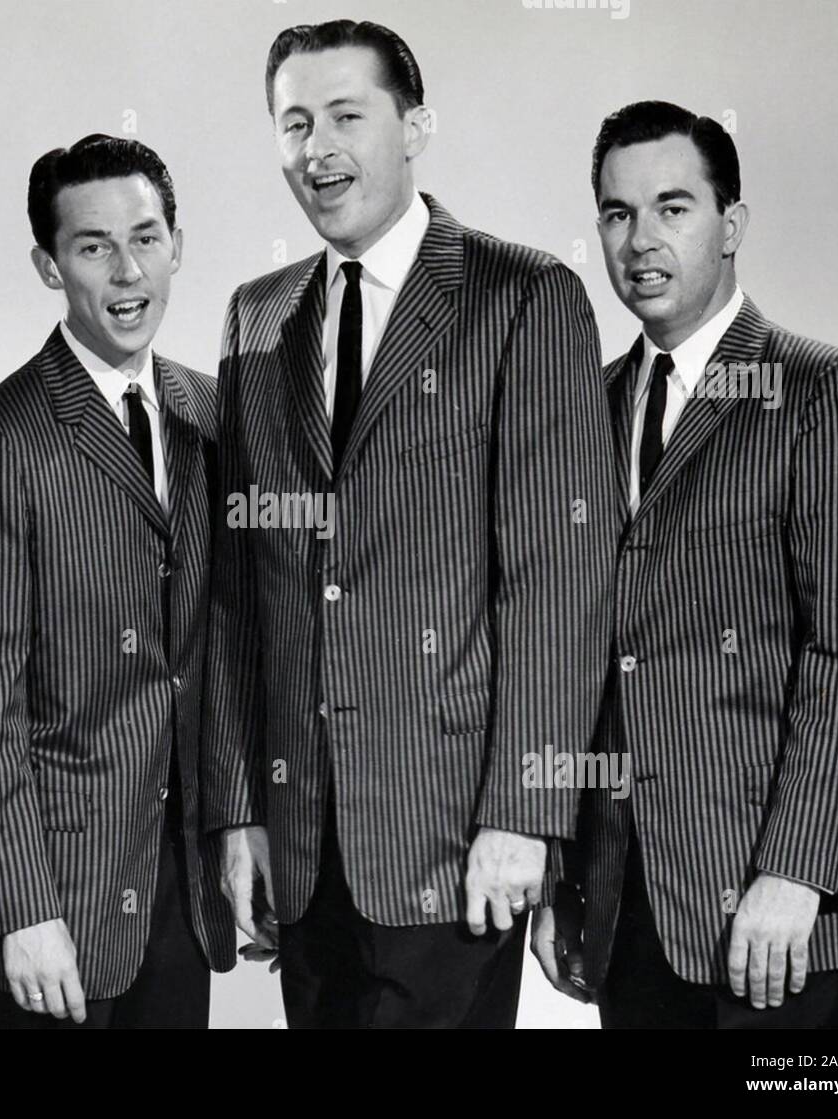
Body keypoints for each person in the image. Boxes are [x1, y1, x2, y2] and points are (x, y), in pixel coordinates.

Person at [205, 19, 617, 1028]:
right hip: (301, 846)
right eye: (294, 122)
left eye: (347, 115)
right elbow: (236, 596)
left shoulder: (523, 298)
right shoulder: (255, 316)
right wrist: (237, 809)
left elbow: (559, 579)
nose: (318, 149)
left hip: (452, 842)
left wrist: (523, 815)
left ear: (414, 126)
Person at [533, 100, 838, 1028]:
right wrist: (561, 868)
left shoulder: (829, 394)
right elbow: (567, 651)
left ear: (731, 223)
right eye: (618, 214)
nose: (641, 240)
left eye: (674, 207)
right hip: (629, 915)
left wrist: (796, 870)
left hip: (781, 919)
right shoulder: (583, 409)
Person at [0, 135, 235, 1029]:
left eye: (147, 237)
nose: (128, 271)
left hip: (180, 893)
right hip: (57, 898)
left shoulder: (209, 414)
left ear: (177, 243)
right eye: (93, 247)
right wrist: (17, 907)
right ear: (49, 266)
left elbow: (229, 645)